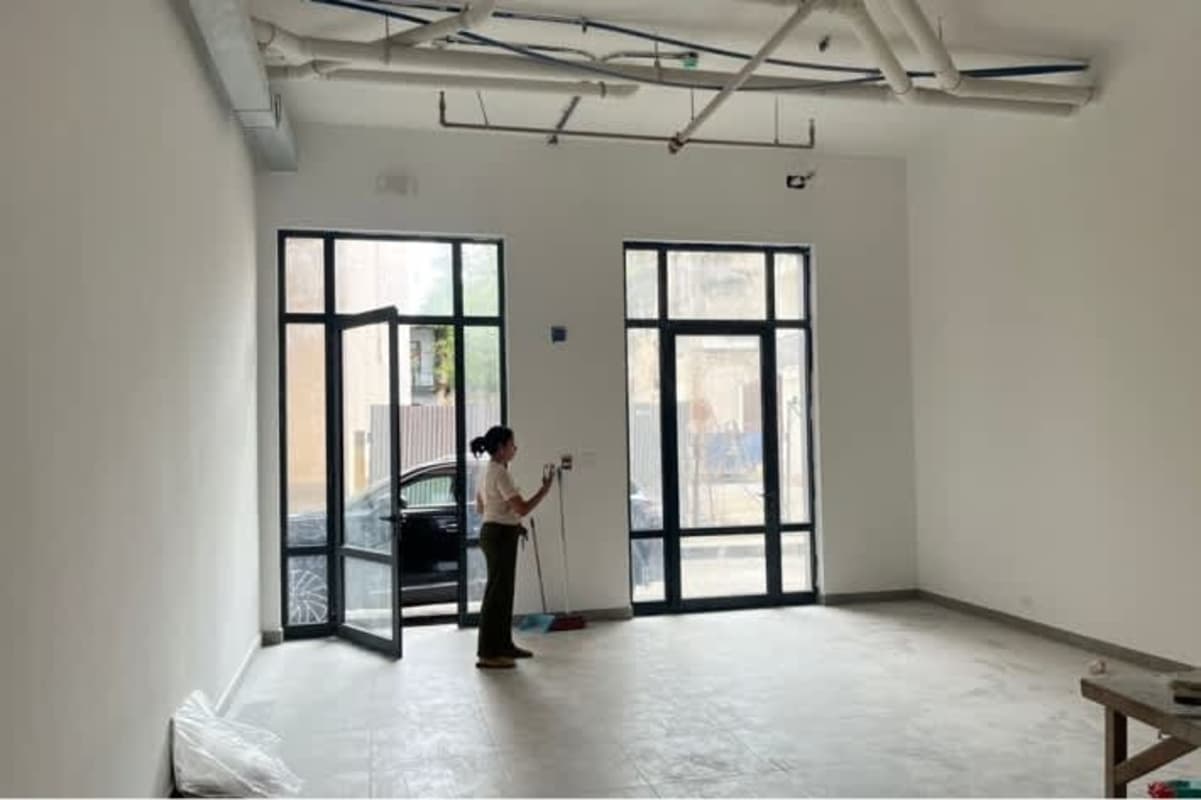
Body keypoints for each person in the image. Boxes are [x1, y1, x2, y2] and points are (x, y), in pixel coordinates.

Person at [471, 426, 554, 669]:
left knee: (504, 593)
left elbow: (480, 507)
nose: (515, 448)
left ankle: (504, 645)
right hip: (499, 536)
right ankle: (487, 653)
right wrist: (544, 490)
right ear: (500, 448)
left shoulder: (487, 471)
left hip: (497, 532)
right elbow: (522, 508)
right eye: (512, 444)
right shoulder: (500, 473)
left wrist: (510, 522)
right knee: (497, 595)